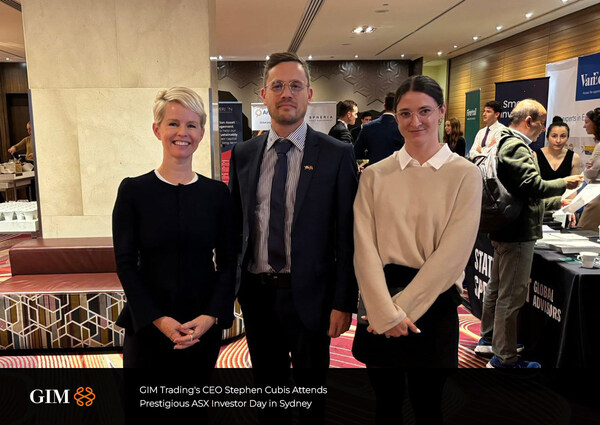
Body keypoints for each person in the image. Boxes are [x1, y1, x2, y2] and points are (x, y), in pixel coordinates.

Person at [229, 52, 358, 425]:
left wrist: (343, 301)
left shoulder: (337, 154)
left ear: (309, 94)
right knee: (266, 388)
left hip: (313, 296)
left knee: (310, 388)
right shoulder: (243, 154)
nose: (287, 93)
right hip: (257, 295)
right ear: (264, 94)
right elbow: (237, 226)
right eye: (278, 86)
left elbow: (347, 234)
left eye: (296, 86)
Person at [352, 75, 482, 425]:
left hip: (433, 302)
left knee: (429, 407)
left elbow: (454, 254)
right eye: (405, 113)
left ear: (441, 112)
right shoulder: (375, 176)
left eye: (424, 111)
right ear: (395, 117)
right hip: (380, 299)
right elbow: (363, 247)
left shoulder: (465, 175)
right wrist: (383, 311)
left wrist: (397, 313)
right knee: (386, 406)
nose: (415, 121)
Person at [112, 87, 236, 370]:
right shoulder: (133, 190)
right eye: (173, 123)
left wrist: (211, 316)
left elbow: (229, 262)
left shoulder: (217, 193)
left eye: (191, 125)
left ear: (202, 133)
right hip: (148, 322)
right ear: (157, 130)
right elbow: (125, 263)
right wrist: (160, 320)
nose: (183, 132)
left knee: (194, 409)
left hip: (201, 325)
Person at [478, 99, 582, 368]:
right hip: (517, 233)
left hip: (508, 227)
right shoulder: (516, 145)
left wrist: (557, 203)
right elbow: (531, 186)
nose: (544, 130)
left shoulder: (504, 141)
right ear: (529, 121)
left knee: (499, 289)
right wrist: (564, 183)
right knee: (510, 296)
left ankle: (492, 341)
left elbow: (523, 195)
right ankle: (505, 357)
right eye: (542, 123)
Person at [354, 93, 404, 166]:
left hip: (374, 169)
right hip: (395, 170)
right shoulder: (402, 127)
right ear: (397, 107)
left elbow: (357, 152)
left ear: (384, 106)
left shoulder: (368, 127)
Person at [578, 107, 600, 230]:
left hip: (597, 196)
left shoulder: (599, 147)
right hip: (595, 193)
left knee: (583, 231)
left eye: (587, 122)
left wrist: (588, 169)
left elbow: (590, 173)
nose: (584, 126)